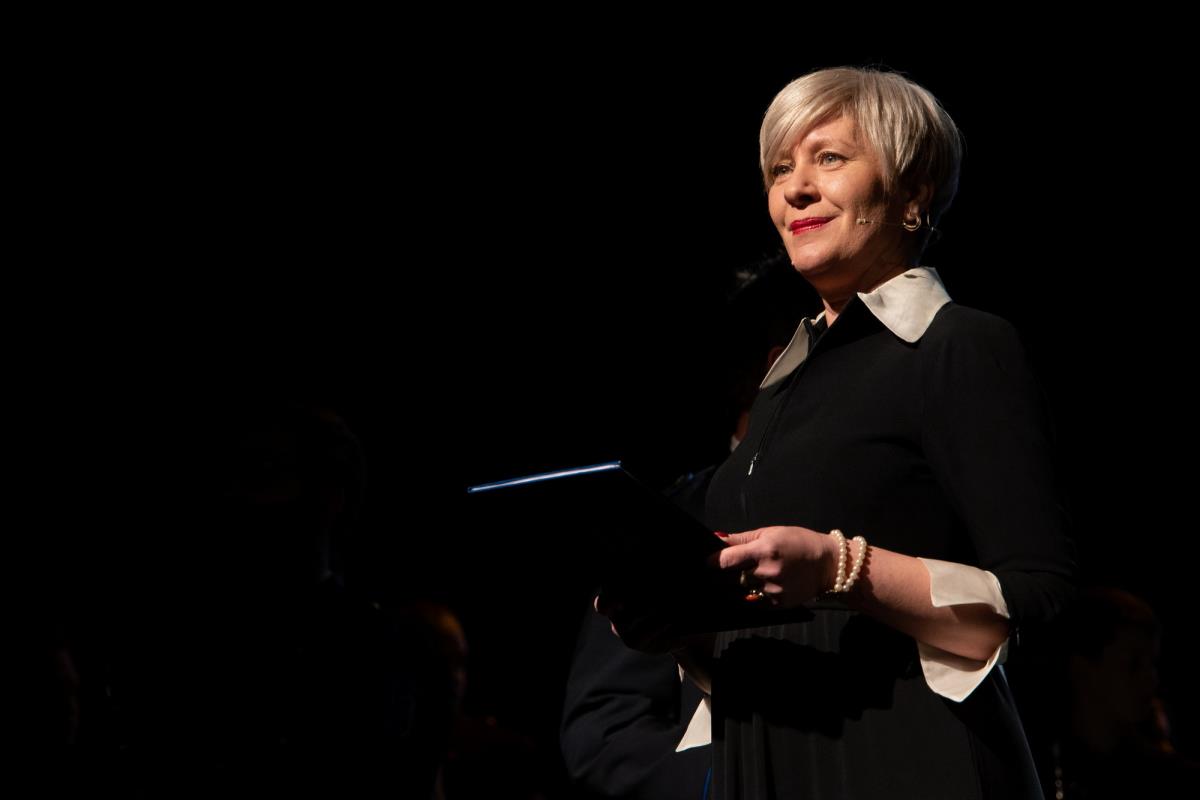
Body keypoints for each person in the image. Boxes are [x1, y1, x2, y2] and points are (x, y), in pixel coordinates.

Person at [601, 66, 1077, 799]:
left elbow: (1039, 600)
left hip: (902, 758)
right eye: (779, 168)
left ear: (912, 193)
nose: (795, 188)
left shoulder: (957, 346)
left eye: (829, 157)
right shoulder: (781, 381)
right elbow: (779, 620)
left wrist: (839, 568)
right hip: (768, 753)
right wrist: (680, 628)